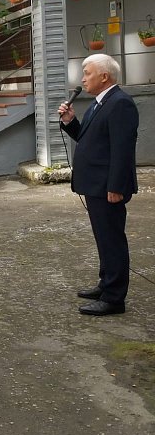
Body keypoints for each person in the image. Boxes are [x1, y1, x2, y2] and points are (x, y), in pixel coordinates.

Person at [58, 54, 139, 316]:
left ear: (104, 76)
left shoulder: (120, 103)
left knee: (112, 240)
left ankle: (114, 298)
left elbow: (122, 150)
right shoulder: (99, 103)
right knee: (103, 238)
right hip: (95, 185)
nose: (82, 79)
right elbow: (88, 139)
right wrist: (70, 121)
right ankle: (106, 284)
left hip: (108, 188)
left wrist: (116, 187)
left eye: (87, 73)